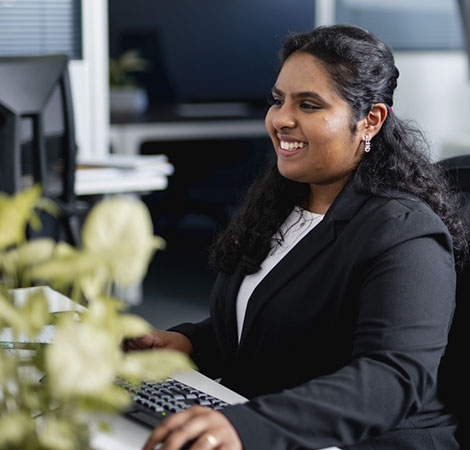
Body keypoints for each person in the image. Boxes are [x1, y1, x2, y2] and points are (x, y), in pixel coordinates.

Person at [125, 25, 467, 450]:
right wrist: (192, 343)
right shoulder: (284, 203)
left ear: (371, 120)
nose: (281, 118)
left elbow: (391, 378)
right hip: (269, 421)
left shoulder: (405, 232)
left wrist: (245, 427)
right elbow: (282, 318)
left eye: (308, 104)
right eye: (278, 100)